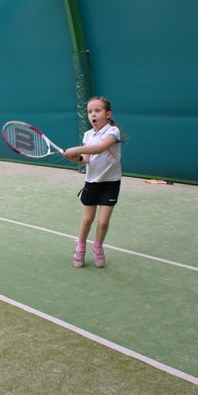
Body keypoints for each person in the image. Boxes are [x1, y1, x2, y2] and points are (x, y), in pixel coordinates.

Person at [62, 96, 123, 268]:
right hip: (92, 183)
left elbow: (100, 148)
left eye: (97, 110)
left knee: (102, 222)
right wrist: (75, 158)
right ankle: (80, 248)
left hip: (111, 183)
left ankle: (98, 247)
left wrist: (75, 149)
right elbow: (85, 159)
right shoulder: (88, 135)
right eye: (89, 112)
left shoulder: (113, 131)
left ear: (108, 114)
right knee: (87, 219)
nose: (93, 115)